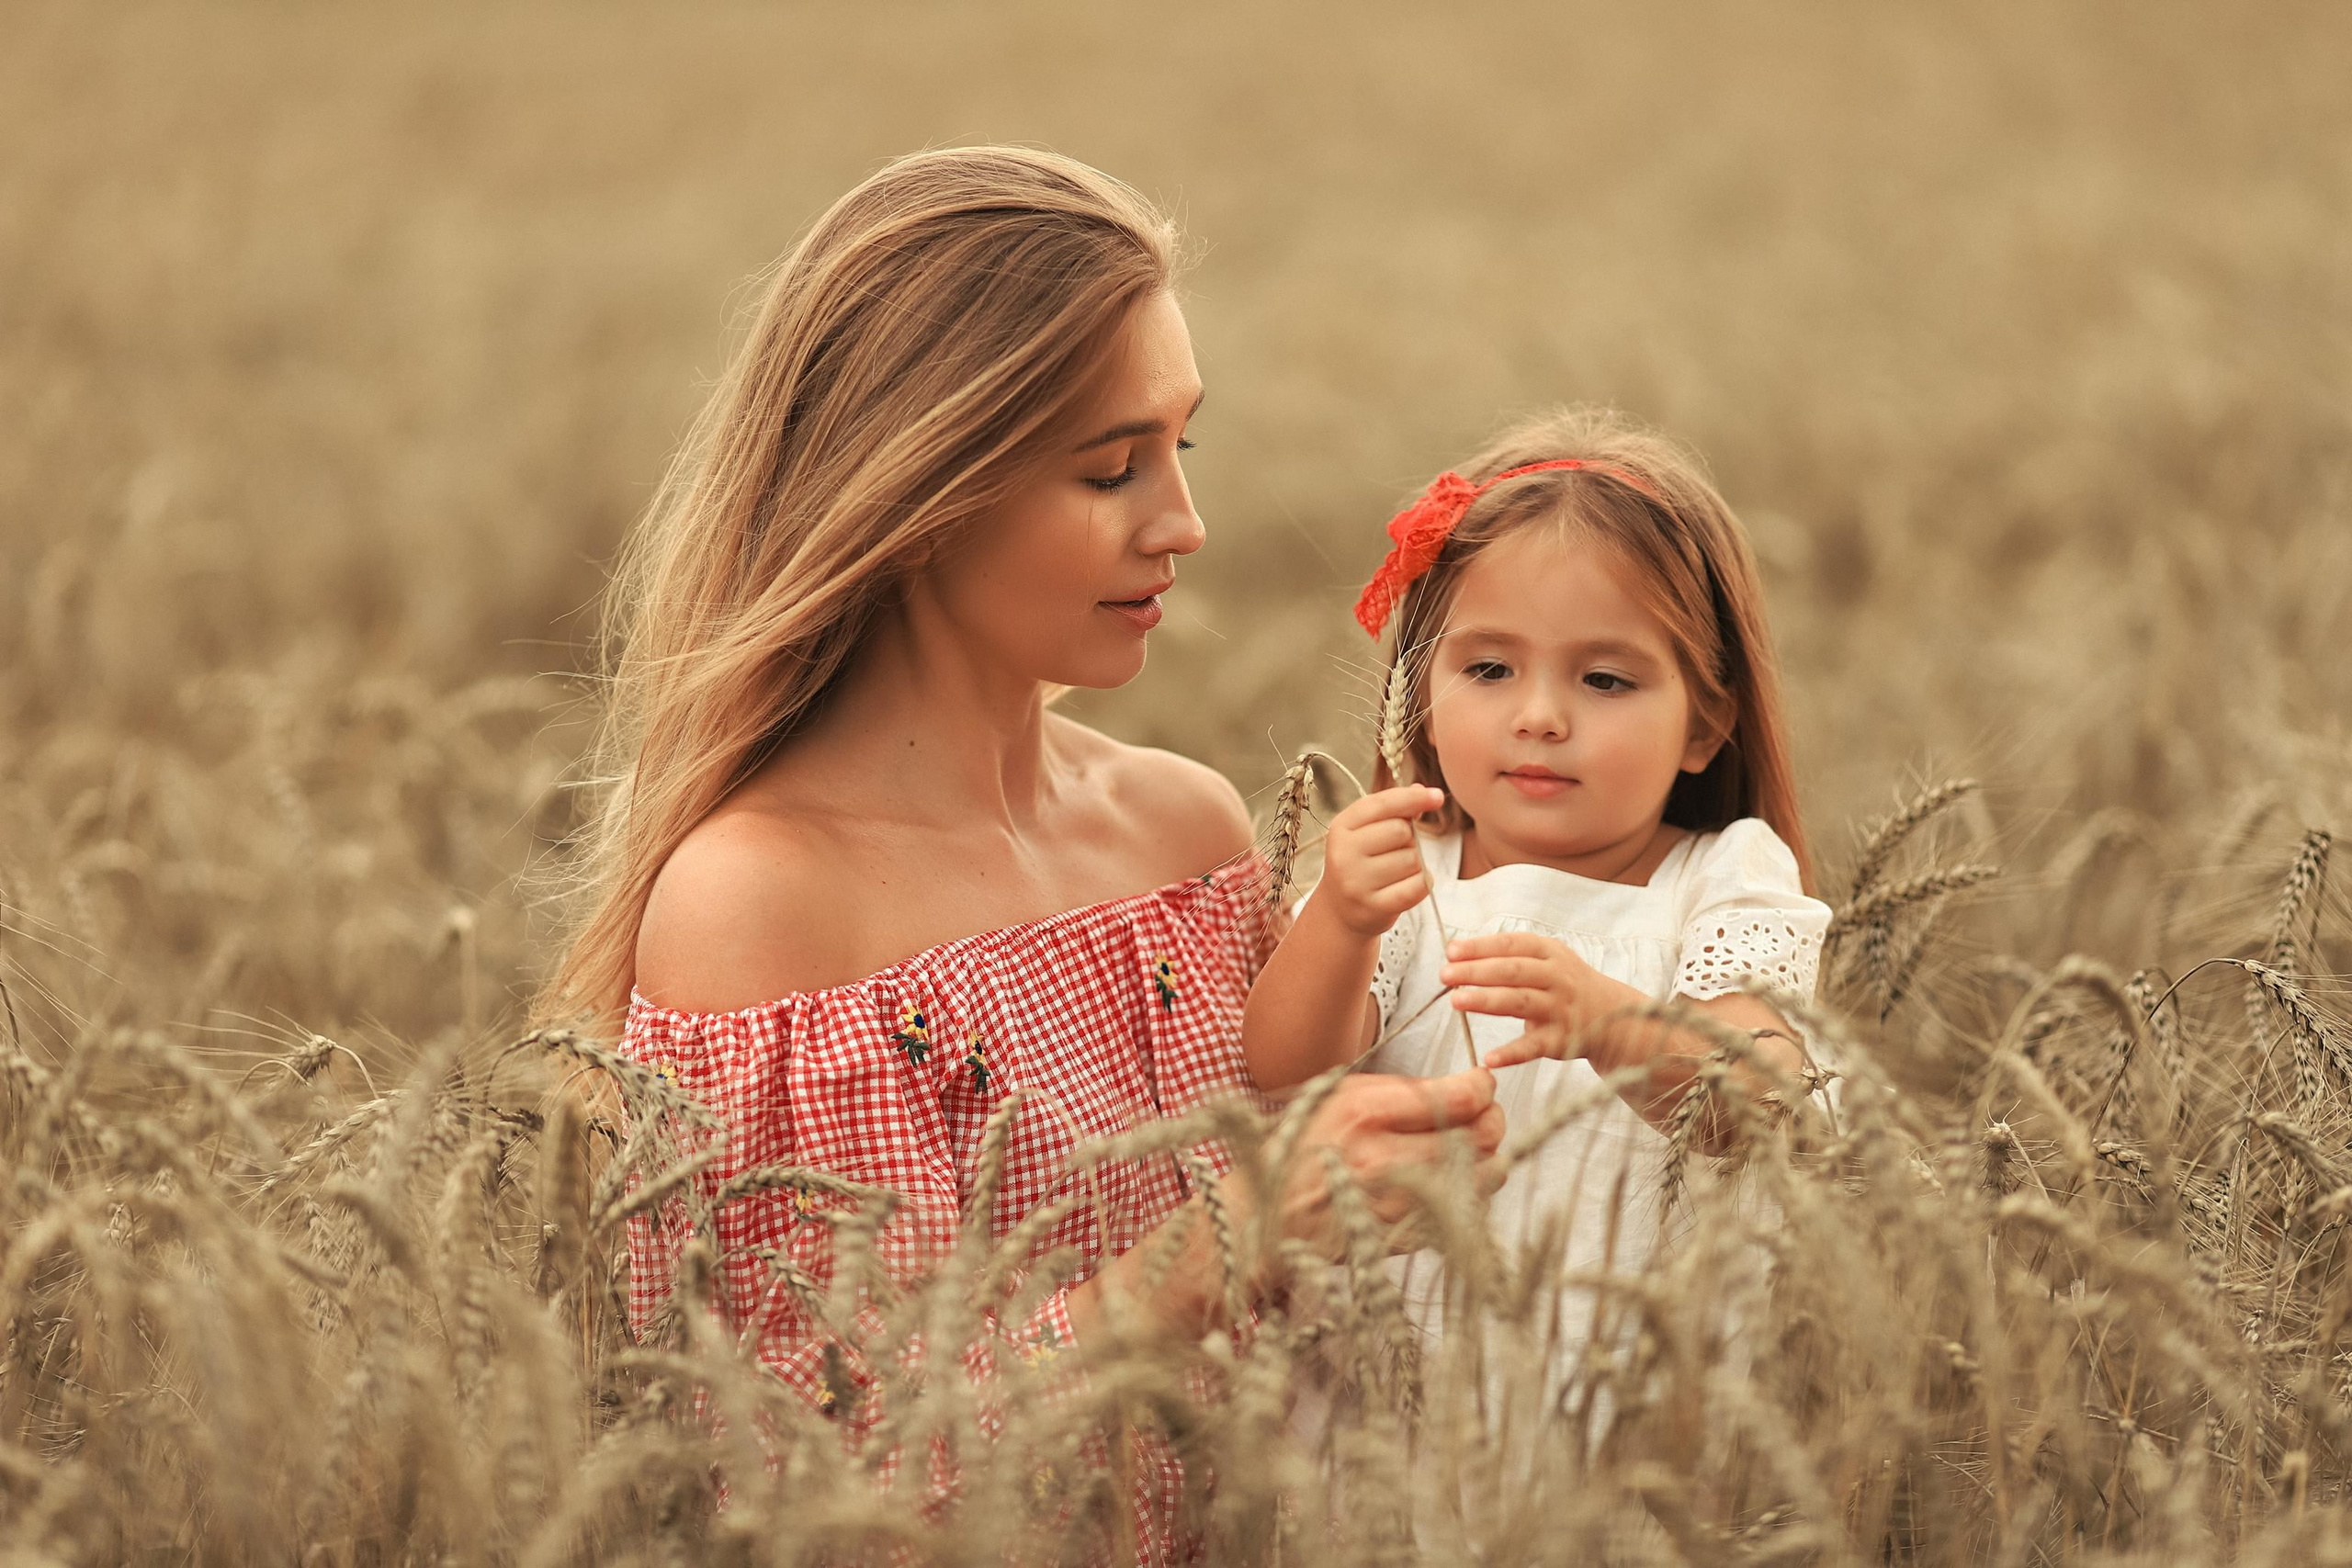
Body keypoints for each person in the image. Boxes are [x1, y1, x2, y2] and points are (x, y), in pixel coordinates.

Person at [535, 146, 1503, 1557]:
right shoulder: (760, 902)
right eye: (1113, 467)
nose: (1183, 522)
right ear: (921, 486)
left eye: (1184, 446)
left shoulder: (1186, 833)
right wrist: (1203, 1252)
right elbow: (809, 1479)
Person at [1239, 406, 1832, 1393]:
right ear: (1419, 692)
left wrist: (1614, 1024)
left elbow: (1765, 1100)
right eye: (1487, 668)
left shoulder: (1723, 879)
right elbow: (1284, 1070)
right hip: (1392, 1395)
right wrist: (1339, 924)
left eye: (1604, 679)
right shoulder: (1406, 880)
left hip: (1629, 1396)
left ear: (1703, 725)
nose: (1540, 716)